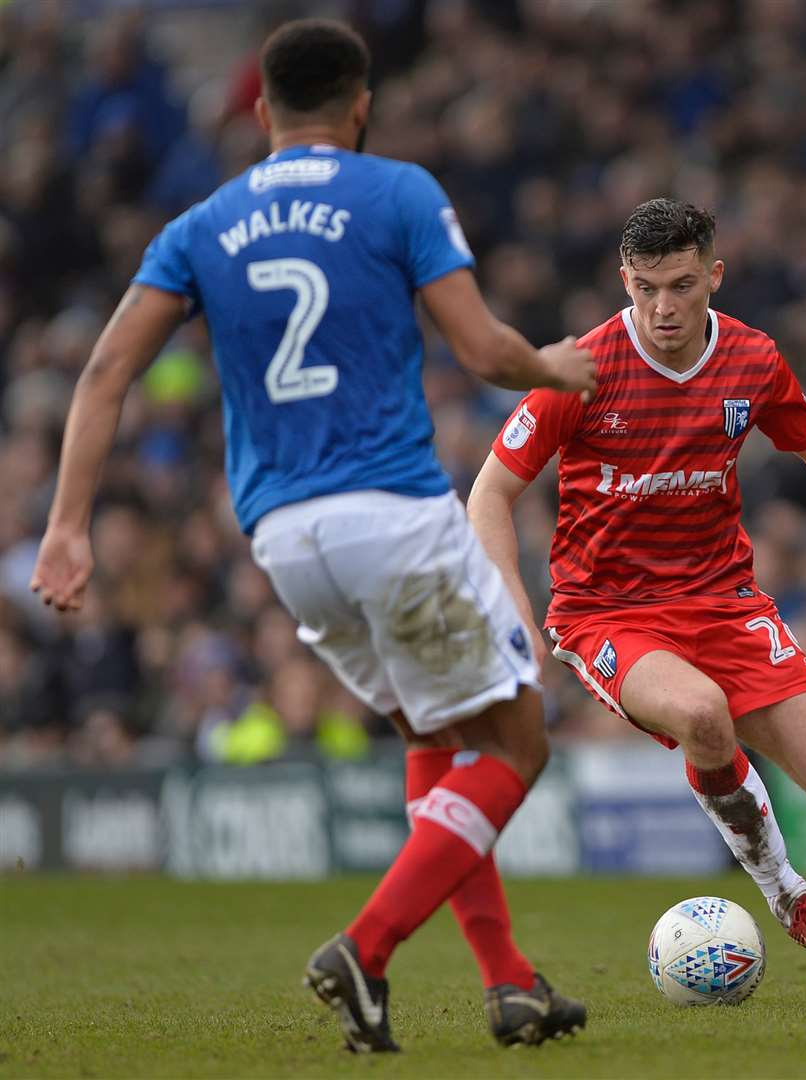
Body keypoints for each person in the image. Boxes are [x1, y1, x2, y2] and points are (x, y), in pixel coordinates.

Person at [30, 19, 595, 1054]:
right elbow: (479, 348)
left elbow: (106, 371)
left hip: (284, 540)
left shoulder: (200, 226)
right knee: (517, 741)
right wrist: (555, 366)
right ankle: (367, 947)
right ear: (362, 104)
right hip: (390, 510)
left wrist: (66, 528)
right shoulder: (398, 193)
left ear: (261, 113)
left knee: (435, 737)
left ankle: (510, 984)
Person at [468, 197, 806, 999]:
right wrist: (512, 614)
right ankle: (790, 899)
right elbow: (488, 496)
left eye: (682, 285)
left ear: (714, 276)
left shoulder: (751, 358)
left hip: (727, 605)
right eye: (645, 288)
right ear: (623, 280)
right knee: (700, 713)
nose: (663, 307)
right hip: (608, 614)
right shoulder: (580, 370)